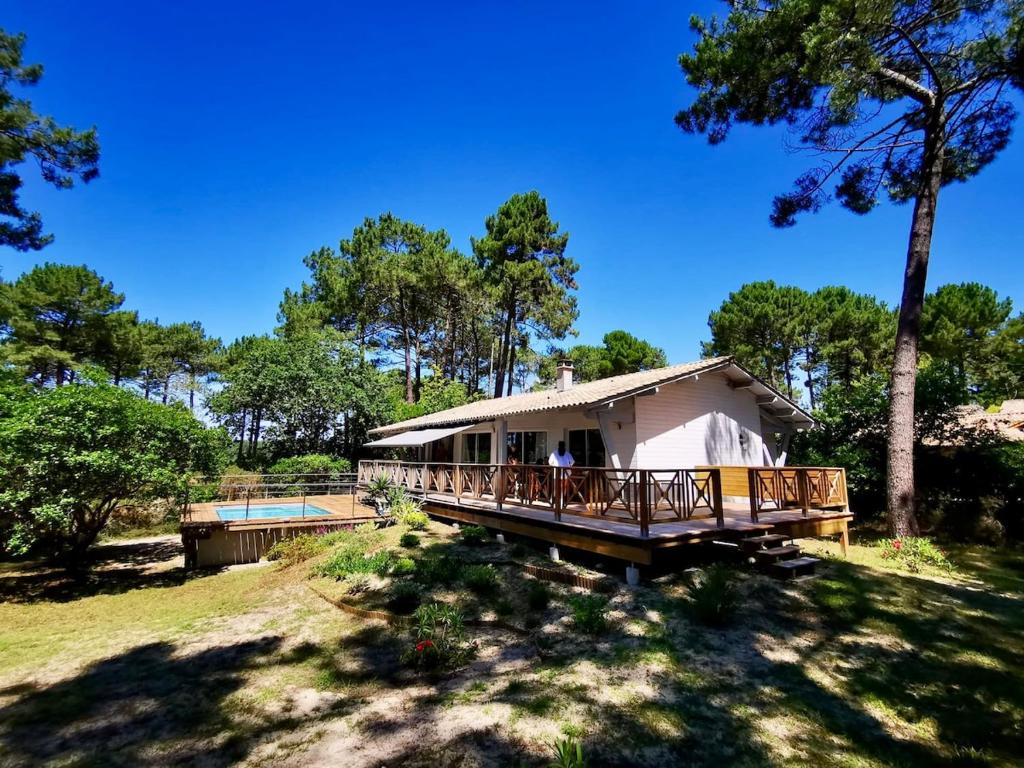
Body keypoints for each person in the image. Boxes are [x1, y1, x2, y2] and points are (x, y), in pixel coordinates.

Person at [548, 441, 575, 507]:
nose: (562, 447)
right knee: (556, 488)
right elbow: (550, 463)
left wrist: (568, 466)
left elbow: (572, 462)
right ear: (559, 446)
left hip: (565, 474)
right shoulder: (554, 453)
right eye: (561, 446)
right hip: (557, 474)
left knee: (563, 488)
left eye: (562, 446)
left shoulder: (567, 454)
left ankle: (561, 501)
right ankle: (553, 501)